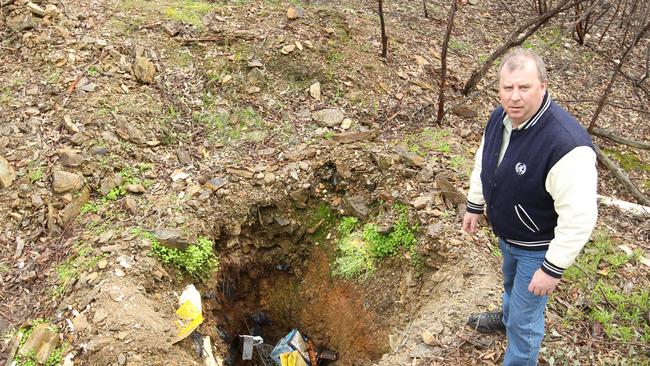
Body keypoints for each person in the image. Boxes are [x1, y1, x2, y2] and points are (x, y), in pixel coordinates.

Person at [462, 48, 598, 365]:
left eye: (524, 87)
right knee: (511, 285)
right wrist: (474, 204)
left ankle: (518, 346)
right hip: (509, 235)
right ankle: (507, 316)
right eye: (508, 88)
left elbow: (580, 216)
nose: (515, 97)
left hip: (538, 247)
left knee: (526, 323)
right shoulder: (500, 119)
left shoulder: (566, 144)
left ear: (543, 86)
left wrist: (551, 269)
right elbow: (485, 162)